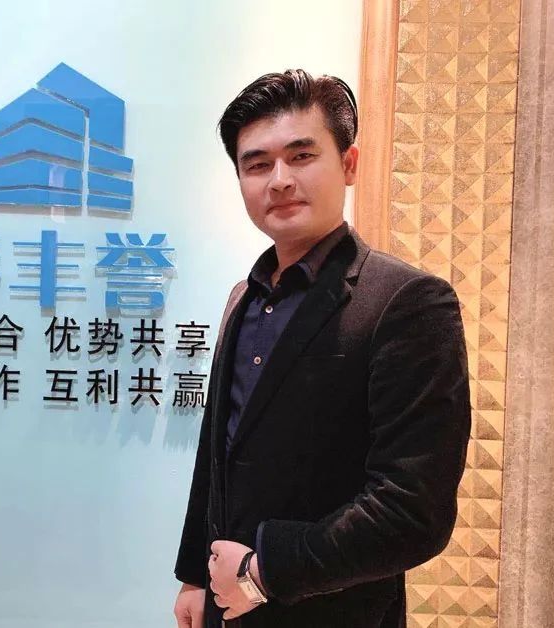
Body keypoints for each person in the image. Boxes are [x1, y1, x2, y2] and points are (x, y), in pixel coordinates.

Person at [172, 69, 471, 628]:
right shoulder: (243, 298)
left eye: (302, 156)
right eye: (257, 164)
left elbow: (414, 509)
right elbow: (218, 454)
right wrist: (194, 574)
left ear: (349, 164)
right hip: (226, 607)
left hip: (334, 613)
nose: (280, 180)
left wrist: (265, 571)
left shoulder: (408, 302)